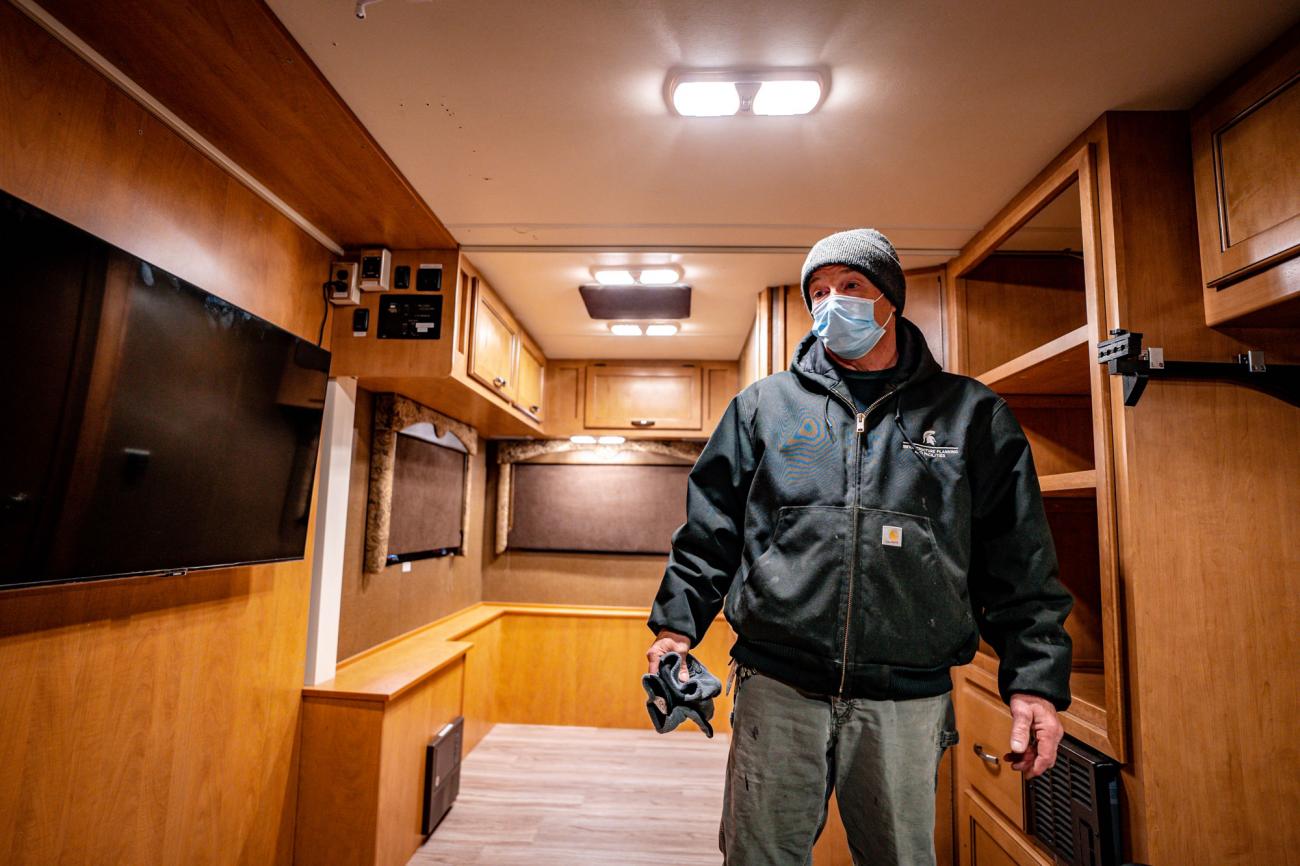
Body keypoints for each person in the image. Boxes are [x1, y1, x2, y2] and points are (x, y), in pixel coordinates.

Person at [644, 228, 1074, 866]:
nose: (830, 303)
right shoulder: (764, 408)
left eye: (851, 287)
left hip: (906, 698)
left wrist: (1034, 682)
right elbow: (710, 533)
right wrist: (675, 631)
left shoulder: (970, 414)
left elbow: (1020, 559)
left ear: (890, 301)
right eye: (817, 291)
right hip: (777, 685)